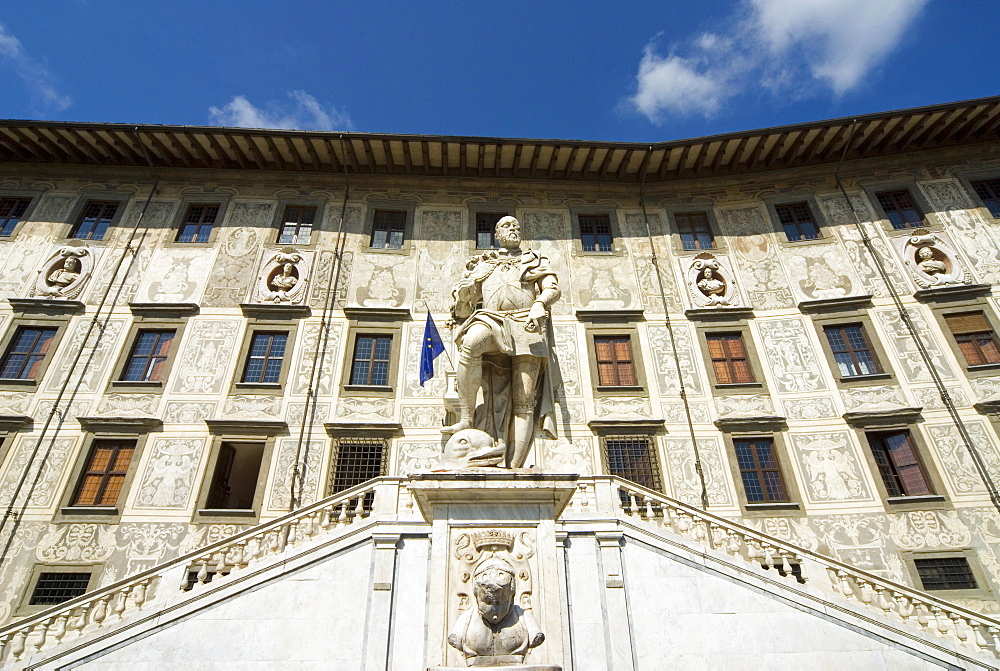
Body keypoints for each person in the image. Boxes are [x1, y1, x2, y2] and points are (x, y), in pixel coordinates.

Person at [442, 216, 560, 468]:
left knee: (524, 398)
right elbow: (464, 308)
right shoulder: (483, 264)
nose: (514, 229)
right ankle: (465, 416)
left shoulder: (534, 260)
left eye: (517, 226)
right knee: (471, 343)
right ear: (496, 233)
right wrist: (464, 293)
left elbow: (552, 288)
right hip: (491, 319)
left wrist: (540, 303)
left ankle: (513, 467)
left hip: (526, 323)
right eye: (507, 226)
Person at [447, 557, 544, 665]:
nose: (494, 608)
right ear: (476, 595)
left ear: (511, 595)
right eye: (487, 602)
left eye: (499, 602)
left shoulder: (524, 618)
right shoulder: (465, 620)